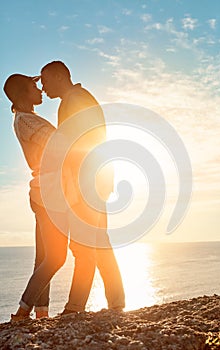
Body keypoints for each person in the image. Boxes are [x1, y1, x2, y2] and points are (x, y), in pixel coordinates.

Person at [40, 61, 125, 314]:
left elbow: (82, 142)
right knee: (99, 241)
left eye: (45, 80)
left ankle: (75, 306)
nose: (43, 87)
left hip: (87, 179)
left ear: (58, 76)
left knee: (84, 244)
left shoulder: (74, 100)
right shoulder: (79, 97)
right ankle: (116, 300)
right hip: (96, 177)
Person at [3, 74, 70, 321]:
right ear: (22, 93)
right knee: (56, 257)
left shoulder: (26, 119)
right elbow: (58, 144)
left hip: (43, 191)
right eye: (34, 86)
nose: (40, 89)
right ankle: (22, 312)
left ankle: (41, 314)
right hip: (49, 192)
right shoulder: (26, 121)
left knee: (43, 258)